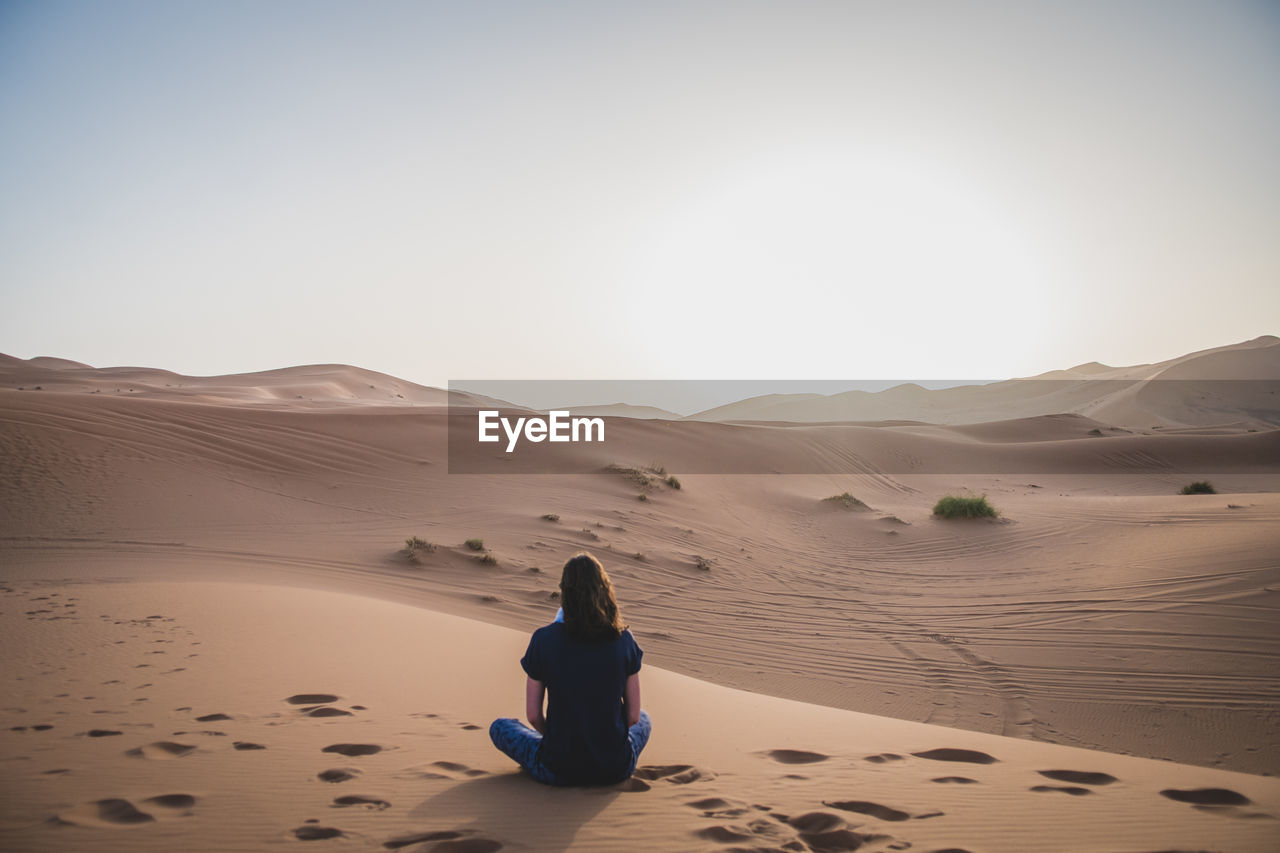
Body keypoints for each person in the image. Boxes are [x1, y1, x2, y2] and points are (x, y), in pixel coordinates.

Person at [489, 552, 651, 785]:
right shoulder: (624, 640)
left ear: (565, 592)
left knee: (501, 727)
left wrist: (557, 739)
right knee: (645, 719)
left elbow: (534, 716)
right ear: (605, 589)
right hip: (615, 768)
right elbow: (634, 717)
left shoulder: (543, 640)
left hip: (556, 768)